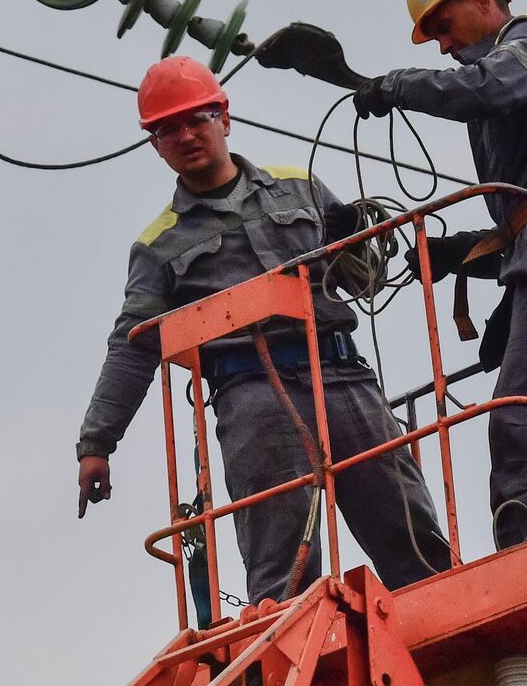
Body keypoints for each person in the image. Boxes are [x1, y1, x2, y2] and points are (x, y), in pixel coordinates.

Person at [259, 0, 527, 565]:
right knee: (521, 414)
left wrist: (394, 85)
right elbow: (524, 207)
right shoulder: (506, 83)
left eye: (442, 27)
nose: (439, 47)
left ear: (482, 0)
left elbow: (489, 92)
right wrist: (456, 253)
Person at [76, 56, 450, 605]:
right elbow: (133, 349)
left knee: (408, 529)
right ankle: (292, 657)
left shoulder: (302, 189)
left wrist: (357, 240)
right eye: (166, 129)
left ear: (223, 117)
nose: (184, 135)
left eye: (195, 119)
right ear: (154, 144)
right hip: (252, 396)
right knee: (283, 563)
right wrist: (97, 443)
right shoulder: (159, 245)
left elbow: (365, 282)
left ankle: (447, 631)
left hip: (341, 374)